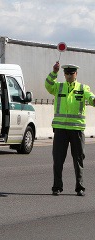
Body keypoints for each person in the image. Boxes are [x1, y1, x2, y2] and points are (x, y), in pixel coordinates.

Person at [45, 62, 95, 196]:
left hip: (77, 129)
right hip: (60, 129)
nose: (68, 75)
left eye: (71, 73)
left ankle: (80, 187)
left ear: (76, 74)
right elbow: (48, 85)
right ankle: (57, 187)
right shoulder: (58, 87)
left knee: (78, 159)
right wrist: (54, 72)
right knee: (58, 159)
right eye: (66, 73)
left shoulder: (83, 88)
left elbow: (91, 97)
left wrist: (94, 100)